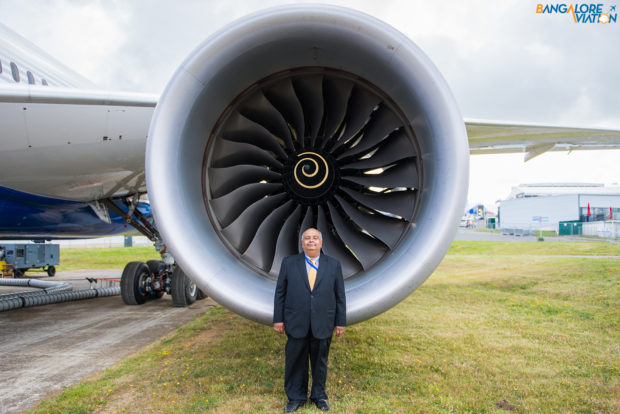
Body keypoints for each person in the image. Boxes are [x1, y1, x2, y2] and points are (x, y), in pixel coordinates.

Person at [273, 227, 346, 412]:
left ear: (321, 243)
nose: (311, 241)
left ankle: (319, 396)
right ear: (302, 242)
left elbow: (340, 296)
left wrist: (340, 321)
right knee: (295, 361)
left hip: (323, 322)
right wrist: (278, 319)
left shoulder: (334, 265)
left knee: (320, 362)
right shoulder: (289, 263)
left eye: (315, 238)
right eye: (307, 238)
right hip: (296, 321)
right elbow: (280, 293)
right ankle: (295, 397)